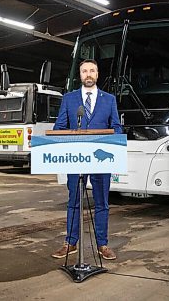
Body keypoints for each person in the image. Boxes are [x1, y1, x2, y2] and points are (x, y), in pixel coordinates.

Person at [51, 59, 123, 260]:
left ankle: (103, 244)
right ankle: (70, 242)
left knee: (102, 202)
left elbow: (116, 127)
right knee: (74, 201)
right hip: (76, 158)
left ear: (97, 74)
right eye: (84, 71)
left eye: (92, 70)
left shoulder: (109, 99)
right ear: (80, 75)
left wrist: (109, 139)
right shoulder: (69, 99)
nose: (88, 74)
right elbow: (59, 127)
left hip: (101, 158)